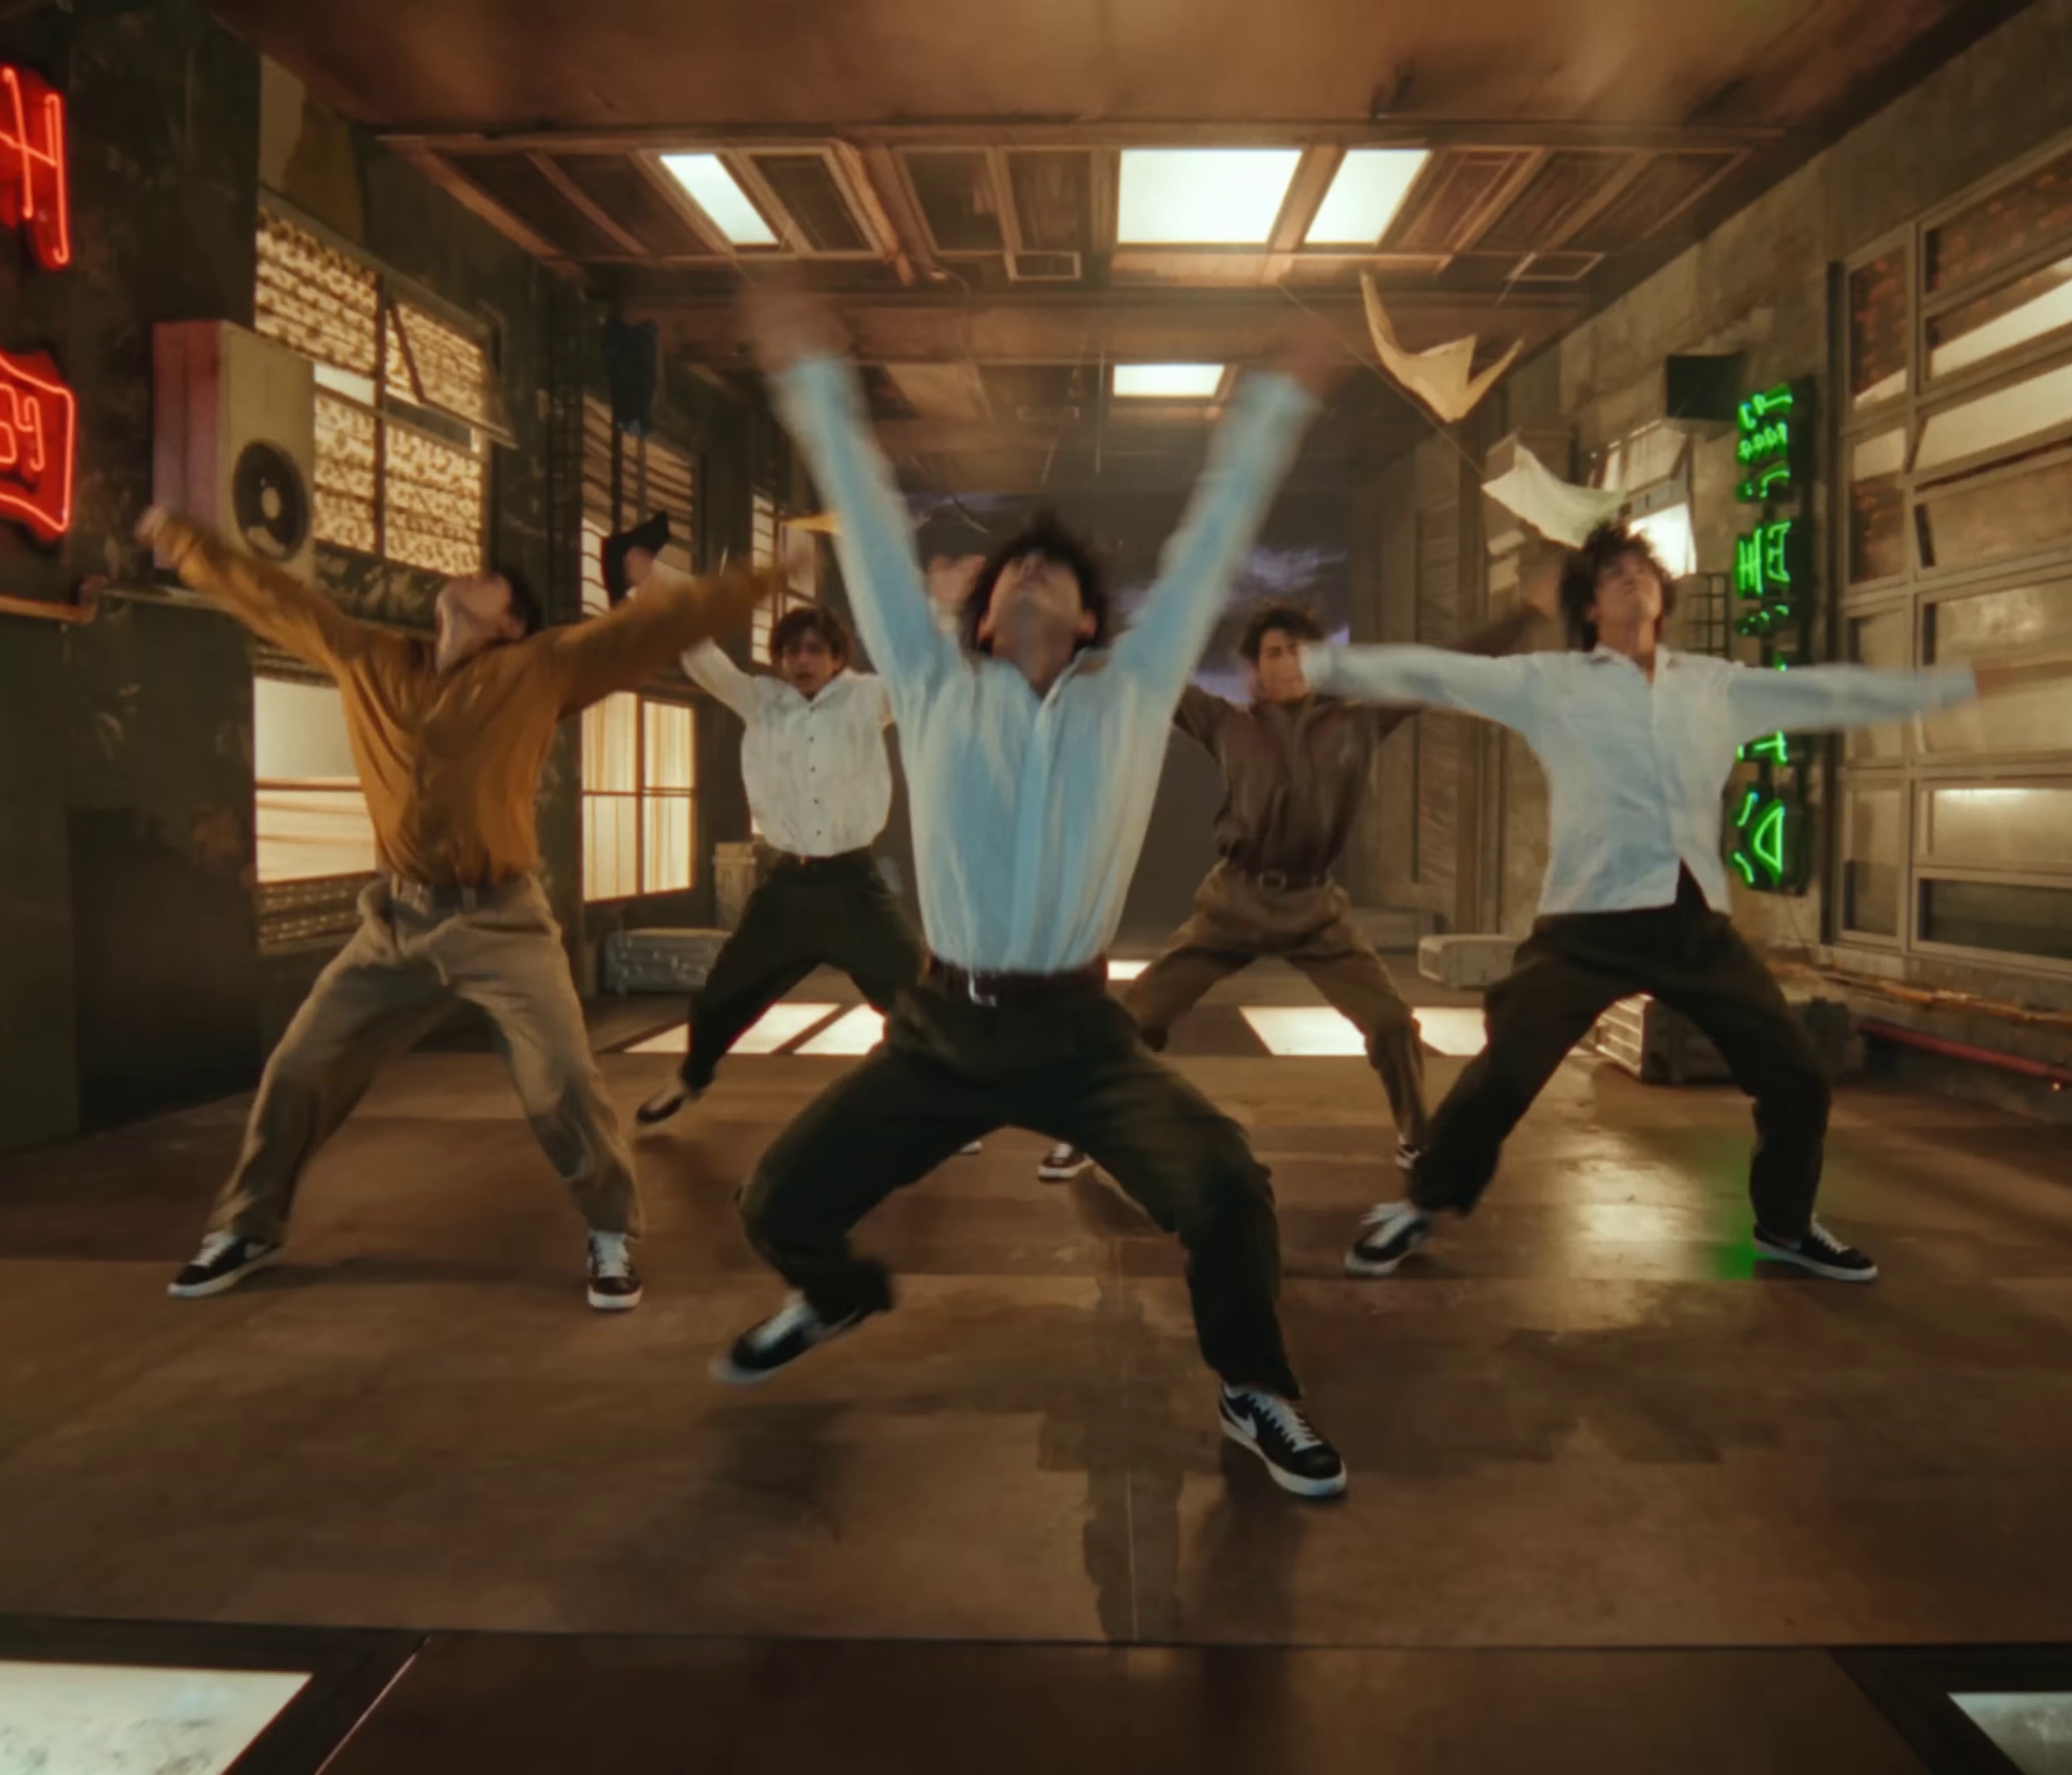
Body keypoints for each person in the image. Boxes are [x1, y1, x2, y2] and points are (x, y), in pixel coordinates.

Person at [717, 288, 1350, 1499]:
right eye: (1013, 573)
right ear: (980, 618)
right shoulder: (931, 681)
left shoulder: (1130, 692)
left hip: (1079, 1036)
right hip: (942, 1030)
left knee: (1228, 1186)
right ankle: (836, 1294)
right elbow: (864, 518)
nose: (1029, 579)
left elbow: (1213, 536)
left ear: (1092, 616)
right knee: (777, 1200)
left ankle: (1252, 1388)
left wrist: (1277, 399)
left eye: (1053, 572)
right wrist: (812, 378)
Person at [1304, 519, 1984, 1285]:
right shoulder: (1553, 684)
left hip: (1692, 922)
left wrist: (1953, 685)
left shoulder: (1714, 686)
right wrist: (1321, 663)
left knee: (1795, 1075)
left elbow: (1832, 692)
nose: (1632, 577)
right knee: (1504, 1072)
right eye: (1612, 573)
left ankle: (1786, 1227)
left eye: (1642, 568)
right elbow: (1435, 675)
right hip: (1585, 923)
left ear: (1663, 594)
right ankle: (1422, 1205)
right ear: (1589, 606)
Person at [141, 505, 775, 1312]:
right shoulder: (371, 659)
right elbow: (277, 601)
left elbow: (650, 629)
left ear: (511, 623)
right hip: (396, 925)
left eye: (489, 579)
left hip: (502, 923)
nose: (466, 576)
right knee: (299, 1071)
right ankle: (248, 1226)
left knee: (563, 1084)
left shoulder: (536, 670)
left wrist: (767, 575)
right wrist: (186, 544)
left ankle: (611, 1232)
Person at [1033, 591, 1540, 1184]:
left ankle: (1416, 1136)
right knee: (1135, 1017)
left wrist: (1524, 612)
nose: (1288, 662)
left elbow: (1440, 670)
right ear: (1254, 672)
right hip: (1234, 903)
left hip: (1314, 909)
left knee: (1392, 1025)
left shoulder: (1357, 722)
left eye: (1300, 651)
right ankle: (1089, 1129)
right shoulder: (1227, 724)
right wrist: (1084, 637)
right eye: (1273, 652)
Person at [636, 560, 921, 1124]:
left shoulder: (869, 698)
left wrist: (942, 605)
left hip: (854, 884)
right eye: (790, 652)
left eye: (814, 650)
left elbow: (923, 671)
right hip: (788, 886)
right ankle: (692, 1077)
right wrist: (653, 581)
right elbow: (700, 655)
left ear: (837, 658)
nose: (801, 661)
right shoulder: (760, 699)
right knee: (721, 996)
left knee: (918, 994)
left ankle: (931, 1095)